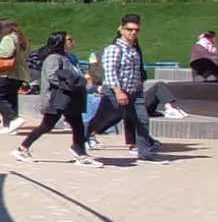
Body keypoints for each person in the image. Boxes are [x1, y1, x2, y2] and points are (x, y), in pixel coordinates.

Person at [88, 13, 164, 163]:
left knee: (142, 120)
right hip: (116, 93)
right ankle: (79, 141)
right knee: (101, 121)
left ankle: (145, 153)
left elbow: (135, 72)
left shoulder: (133, 50)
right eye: (129, 29)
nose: (133, 32)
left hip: (134, 93)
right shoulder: (114, 49)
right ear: (121, 30)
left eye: (136, 30)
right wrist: (118, 91)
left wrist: (138, 89)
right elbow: (110, 72)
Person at [12, 37, 97, 167]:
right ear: (60, 42)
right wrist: (71, 85)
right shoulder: (54, 58)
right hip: (56, 98)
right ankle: (22, 148)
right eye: (68, 39)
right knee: (46, 125)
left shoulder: (67, 57)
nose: (72, 42)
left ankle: (80, 152)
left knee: (77, 125)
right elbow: (52, 76)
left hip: (68, 98)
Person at [0, 20, 28, 133]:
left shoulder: (9, 38)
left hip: (7, 73)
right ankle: (9, 126)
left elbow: (5, 53)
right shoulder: (19, 38)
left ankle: (13, 119)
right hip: (18, 74)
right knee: (10, 98)